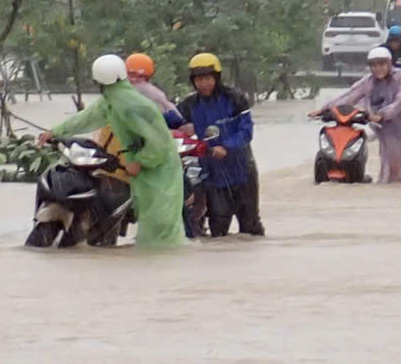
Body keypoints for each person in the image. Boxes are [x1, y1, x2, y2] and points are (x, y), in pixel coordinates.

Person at [41, 53, 186, 250]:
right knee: (151, 230)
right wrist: (56, 132)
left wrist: (141, 161)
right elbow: (87, 117)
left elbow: (159, 142)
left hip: (160, 170)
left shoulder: (133, 104)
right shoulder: (112, 99)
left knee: (161, 226)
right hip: (141, 168)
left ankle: (166, 268)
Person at [317, 45, 401, 183]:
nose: (378, 68)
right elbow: (349, 96)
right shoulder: (368, 81)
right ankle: (395, 189)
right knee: (392, 165)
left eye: (382, 64)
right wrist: (324, 110)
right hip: (388, 129)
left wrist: (382, 114)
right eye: (374, 65)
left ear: (390, 63)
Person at [177, 52, 262, 238]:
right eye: (198, 80)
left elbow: (246, 131)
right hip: (213, 175)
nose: (203, 84)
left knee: (251, 226)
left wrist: (226, 146)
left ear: (216, 77)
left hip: (242, 171)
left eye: (207, 78)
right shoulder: (189, 105)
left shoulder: (235, 99)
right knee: (218, 228)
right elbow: (169, 121)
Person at [122, 52, 185, 127]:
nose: (134, 79)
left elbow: (176, 119)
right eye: (131, 75)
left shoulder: (151, 92)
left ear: (147, 77)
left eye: (140, 76)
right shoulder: (124, 92)